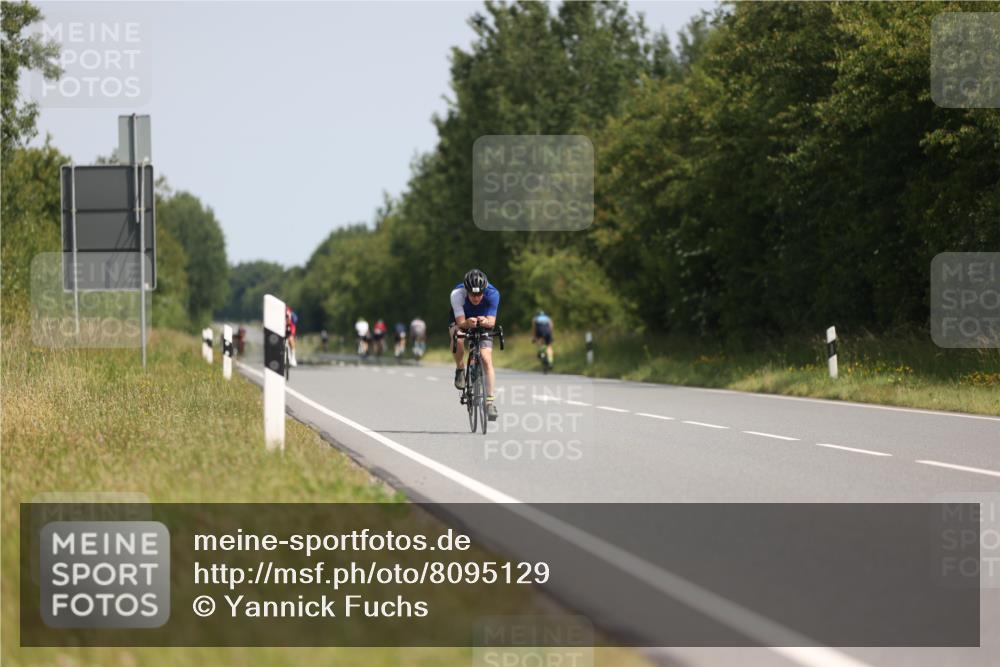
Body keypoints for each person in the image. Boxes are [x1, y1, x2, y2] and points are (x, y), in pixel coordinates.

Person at [449, 268, 500, 420]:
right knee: (458, 339)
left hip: (483, 320)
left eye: (479, 294)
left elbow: (492, 321)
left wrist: (486, 321)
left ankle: (489, 403)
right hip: (464, 319)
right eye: (472, 294)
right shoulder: (457, 295)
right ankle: (460, 368)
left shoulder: (493, 294)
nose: (476, 298)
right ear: (466, 291)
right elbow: (460, 324)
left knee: (486, 358)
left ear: (484, 290)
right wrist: (466, 323)